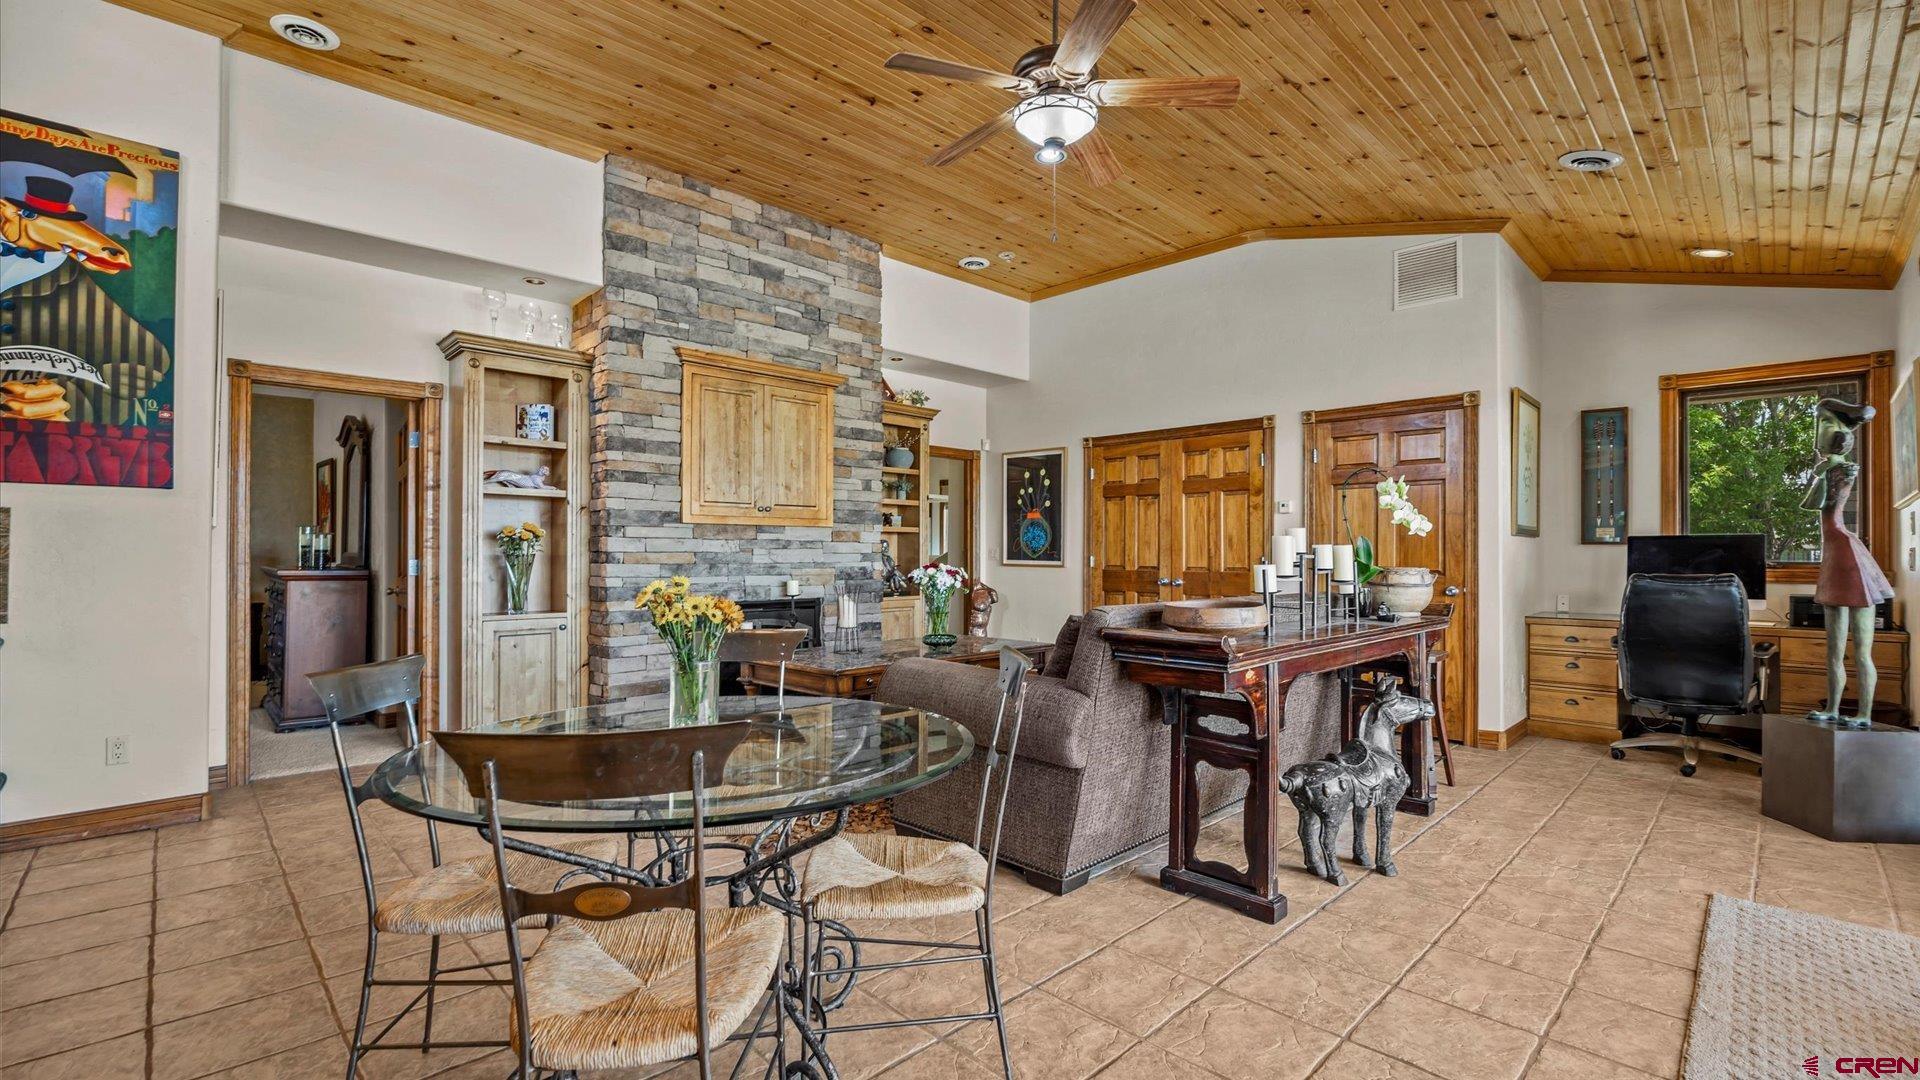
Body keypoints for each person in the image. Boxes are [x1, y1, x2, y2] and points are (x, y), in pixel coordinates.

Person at [1800, 398, 1893, 725]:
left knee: (1861, 650)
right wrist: (1820, 469)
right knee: (1834, 651)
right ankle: (1833, 709)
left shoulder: (1840, 468)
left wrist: (1821, 471)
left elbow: (1813, 502)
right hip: (1836, 554)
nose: (1819, 430)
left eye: (1824, 422)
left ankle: (1865, 714)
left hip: (1844, 553)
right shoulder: (1833, 466)